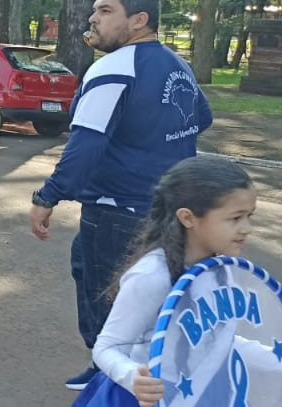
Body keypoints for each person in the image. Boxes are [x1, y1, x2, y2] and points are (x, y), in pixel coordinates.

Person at [29, 0, 214, 390]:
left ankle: (113, 380)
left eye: (106, 11)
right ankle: (128, 372)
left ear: (138, 20)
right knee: (109, 275)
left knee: (109, 294)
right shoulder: (177, 64)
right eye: (95, 10)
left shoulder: (113, 67)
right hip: (171, 209)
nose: (92, 19)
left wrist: (47, 196)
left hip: (118, 210)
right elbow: (201, 118)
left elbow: (85, 145)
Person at [75, 157, 258, 407]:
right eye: (235, 218)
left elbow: (220, 338)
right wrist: (133, 377)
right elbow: (106, 347)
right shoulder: (152, 276)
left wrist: (272, 355)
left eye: (249, 216)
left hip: (196, 395)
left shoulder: (221, 269)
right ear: (188, 218)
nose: (247, 228)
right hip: (140, 398)